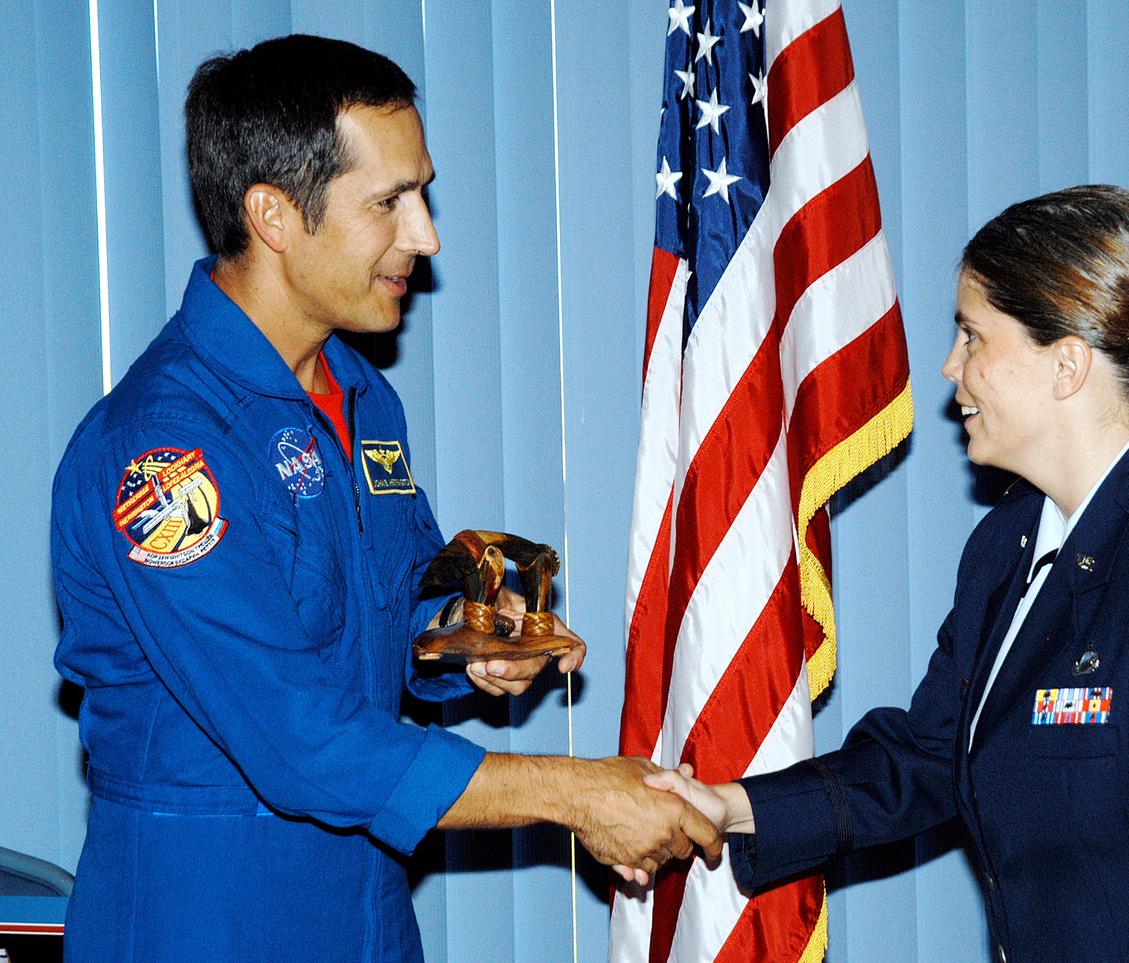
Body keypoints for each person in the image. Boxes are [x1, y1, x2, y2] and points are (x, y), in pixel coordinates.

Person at [51, 34, 717, 962]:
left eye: (423, 191)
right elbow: (301, 738)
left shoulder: (362, 396)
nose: (427, 234)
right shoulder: (163, 458)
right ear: (274, 215)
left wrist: (466, 635)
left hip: (361, 919)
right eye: (389, 202)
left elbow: (396, 594)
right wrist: (576, 793)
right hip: (206, 923)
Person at [647, 185, 1129, 960]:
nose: (950, 366)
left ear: (1068, 363)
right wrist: (729, 805)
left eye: (973, 336)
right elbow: (930, 754)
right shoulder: (1005, 547)